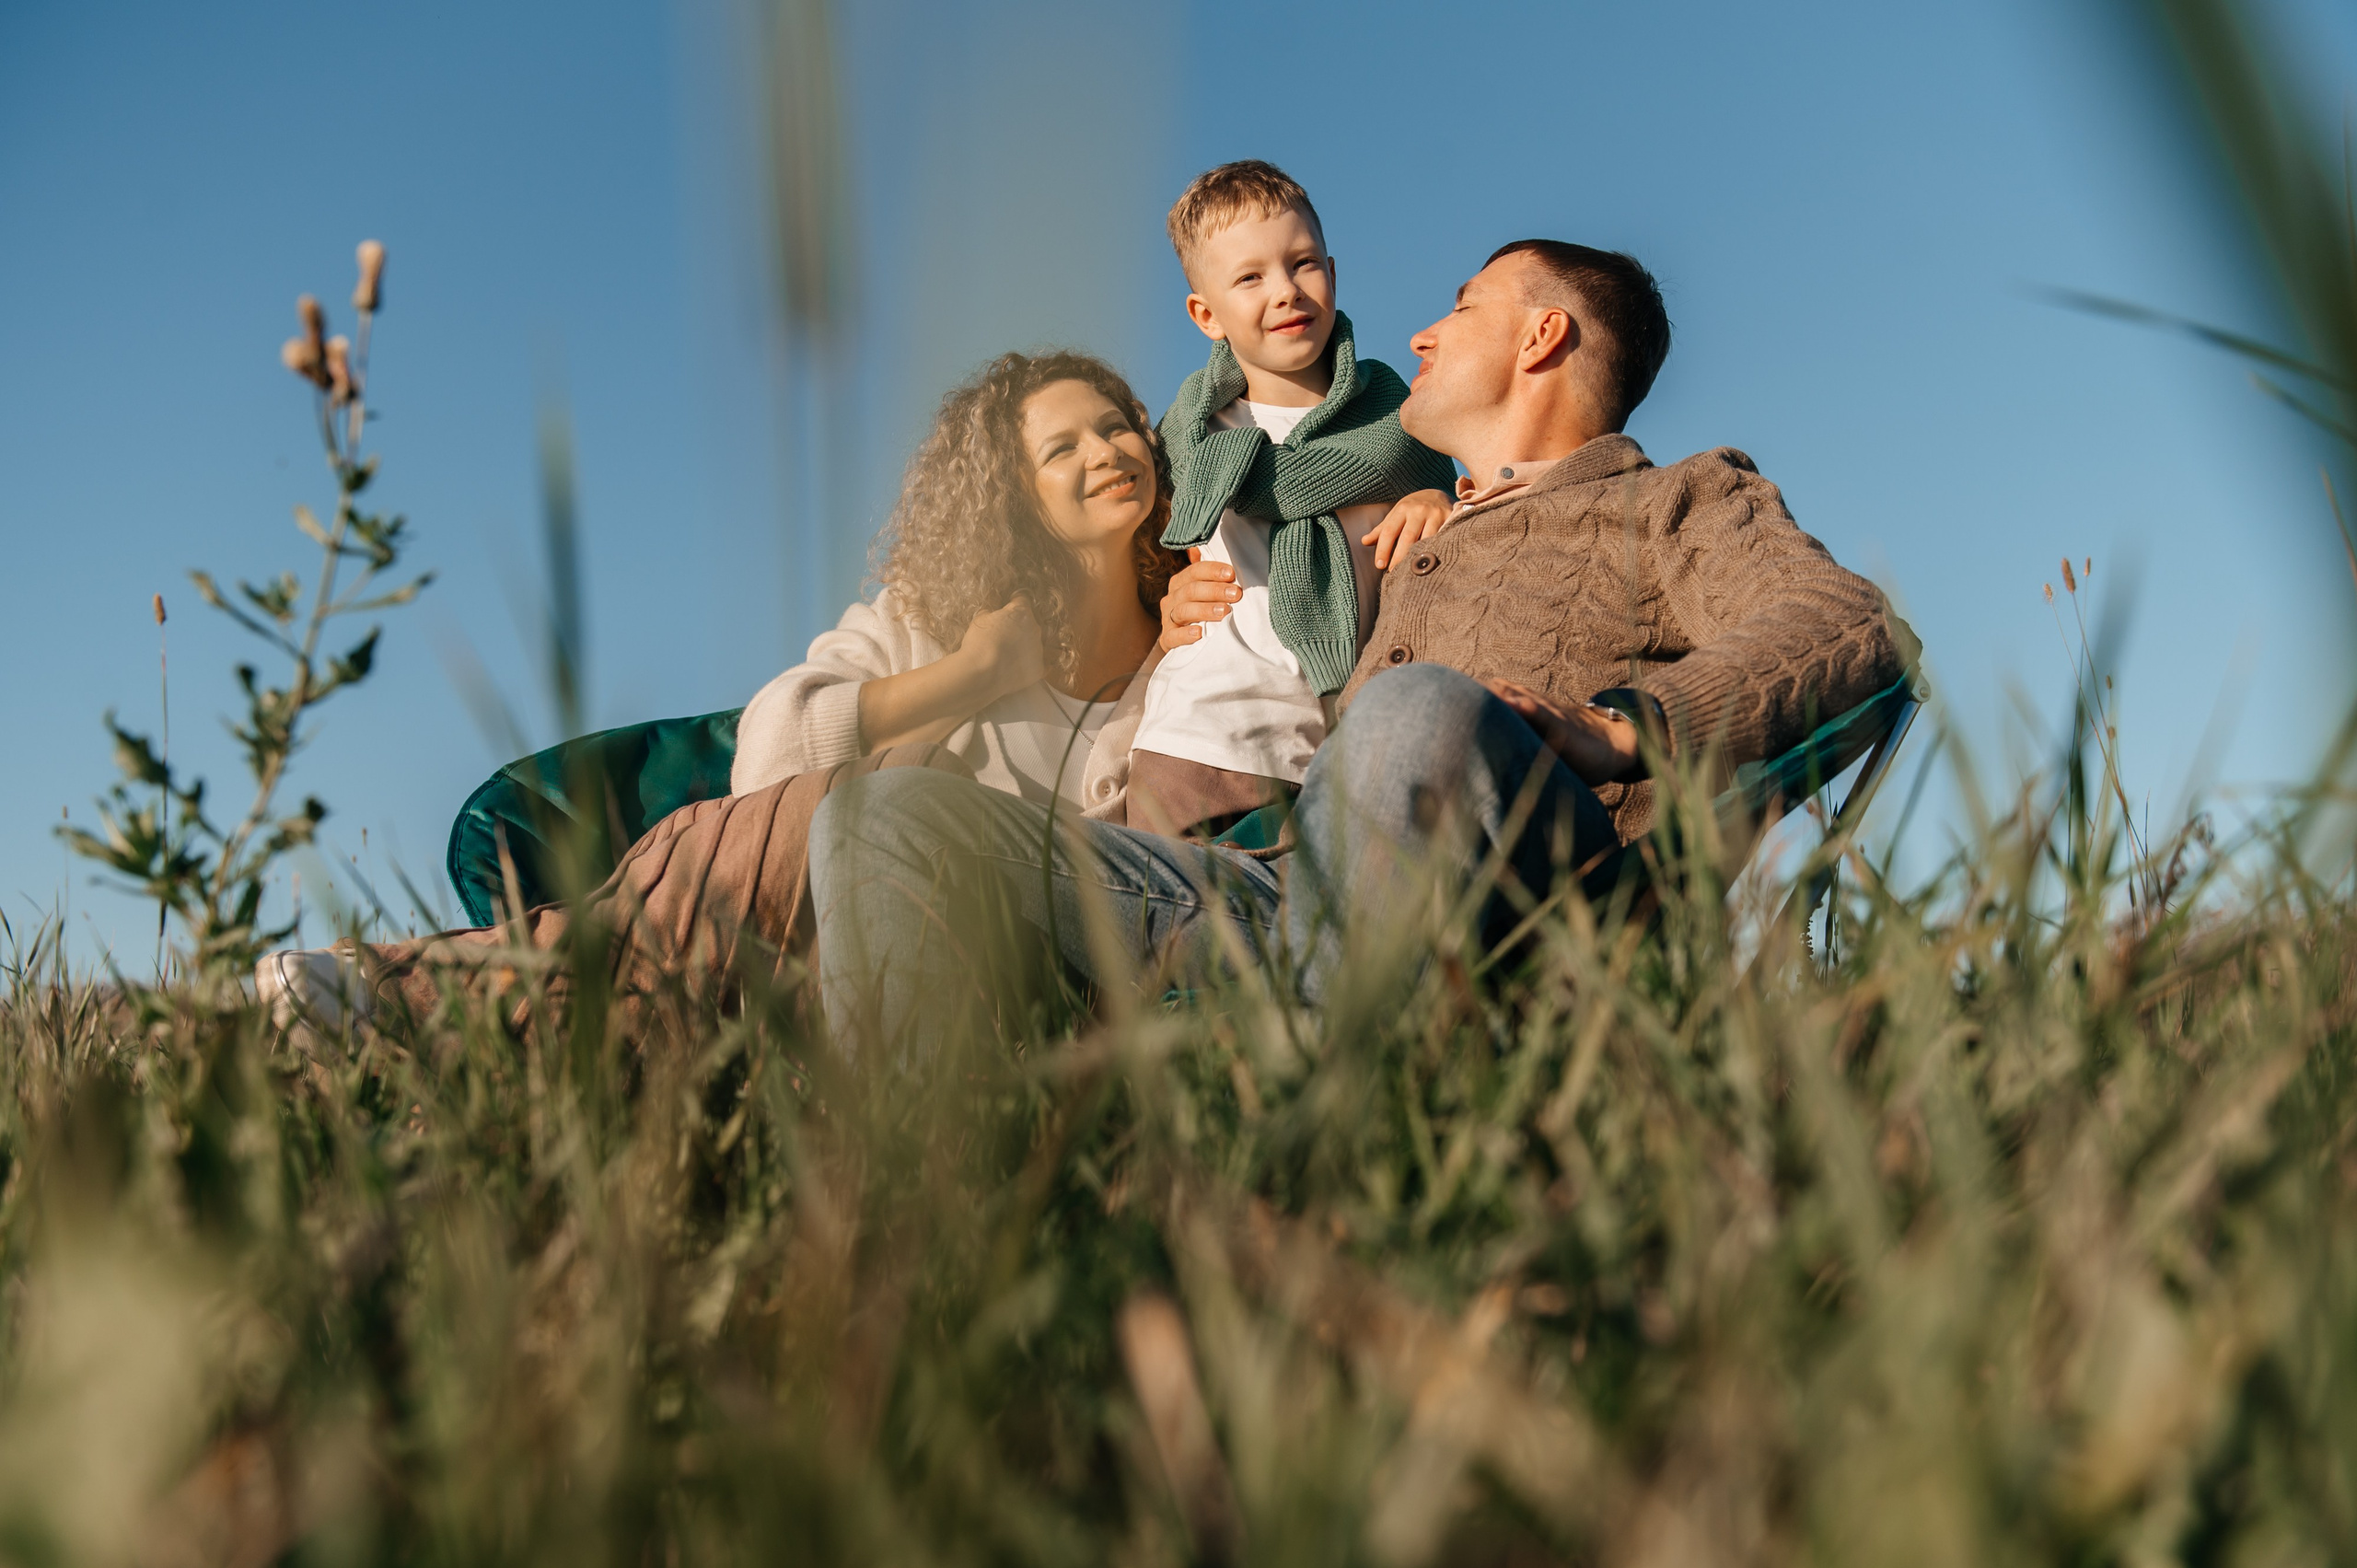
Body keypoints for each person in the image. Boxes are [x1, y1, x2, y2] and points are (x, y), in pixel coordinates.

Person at [808, 239, 1912, 1054]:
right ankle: (920, 1214)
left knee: (1416, 709)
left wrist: (1621, 725)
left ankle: (1321, 1155)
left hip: (1520, 888)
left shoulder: (1671, 500)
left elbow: (1848, 622)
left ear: (1543, 336)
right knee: (882, 816)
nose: (1421, 336)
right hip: (1281, 891)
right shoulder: (1397, 531)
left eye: (1462, 307)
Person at [258, 350, 1190, 1028]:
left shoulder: (1197, 638)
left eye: (1114, 425)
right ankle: (411, 1004)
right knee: (818, 829)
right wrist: (973, 676)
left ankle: (402, 995)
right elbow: (770, 758)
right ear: (1015, 493)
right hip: (850, 932)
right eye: (1059, 447)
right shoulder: (932, 619)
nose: (1103, 449)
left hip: (1031, 961)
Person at [1122, 161, 1457, 837]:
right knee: (1190, 934)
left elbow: (1468, 522)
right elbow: (1153, 558)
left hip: (1338, 747)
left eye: (1302, 264)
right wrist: (1164, 606)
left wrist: (1435, 501)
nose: (1285, 291)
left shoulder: (1399, 417)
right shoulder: (1191, 434)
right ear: (1206, 314)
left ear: (1331, 274)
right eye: (1250, 277)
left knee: (1322, 935)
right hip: (1198, 738)